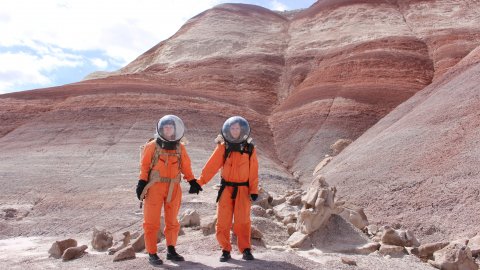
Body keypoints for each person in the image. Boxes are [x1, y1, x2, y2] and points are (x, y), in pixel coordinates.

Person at [189, 116, 259, 262]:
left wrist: (253, 190)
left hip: (243, 190)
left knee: (243, 221)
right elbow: (212, 166)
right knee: (223, 222)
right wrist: (199, 182)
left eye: (237, 128)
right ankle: (225, 250)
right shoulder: (223, 147)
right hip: (226, 189)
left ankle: (245, 249)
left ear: (242, 130)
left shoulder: (249, 148)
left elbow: (253, 171)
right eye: (232, 128)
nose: (235, 131)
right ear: (228, 130)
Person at [136, 115, 197, 265]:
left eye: (170, 127)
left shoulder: (179, 147)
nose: (168, 129)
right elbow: (144, 167)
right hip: (155, 187)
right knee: (151, 222)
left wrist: (192, 181)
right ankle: (152, 253)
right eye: (165, 127)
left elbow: (186, 167)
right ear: (161, 129)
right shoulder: (152, 146)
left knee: (172, 221)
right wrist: (141, 183)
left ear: (175, 130)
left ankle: (171, 250)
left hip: (173, 188)